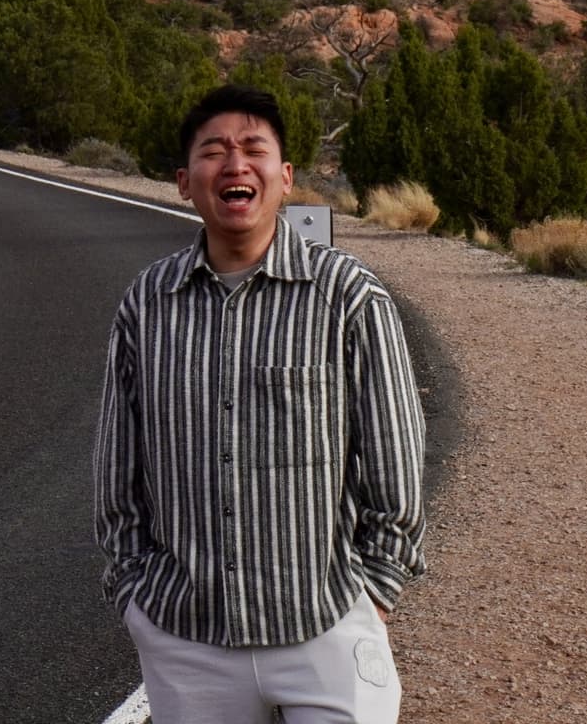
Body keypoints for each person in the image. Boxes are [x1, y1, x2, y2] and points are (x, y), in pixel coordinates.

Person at [94, 84, 427, 723]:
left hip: (324, 626)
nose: (235, 164)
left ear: (285, 177)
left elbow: (396, 461)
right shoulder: (147, 303)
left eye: (254, 149)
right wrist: (134, 593)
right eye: (214, 151)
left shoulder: (347, 298)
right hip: (187, 639)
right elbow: (118, 467)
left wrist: (376, 593)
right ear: (185, 181)